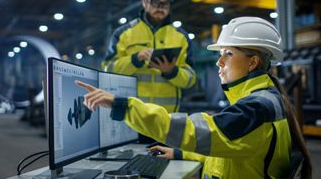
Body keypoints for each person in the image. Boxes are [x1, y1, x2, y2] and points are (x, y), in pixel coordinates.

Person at [76, 17, 312, 179]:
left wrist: (122, 105)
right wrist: (181, 153)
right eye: (221, 54)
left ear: (253, 62)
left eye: (228, 54)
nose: (219, 62)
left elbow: (194, 130)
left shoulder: (255, 109)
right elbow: (228, 149)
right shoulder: (263, 99)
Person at [102, 0, 196, 114]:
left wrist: (172, 72)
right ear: (144, 1)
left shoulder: (182, 38)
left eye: (165, 3)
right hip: (131, 115)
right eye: (155, 2)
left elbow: (190, 80)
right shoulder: (123, 34)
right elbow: (107, 69)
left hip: (166, 118)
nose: (160, 7)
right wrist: (135, 59)